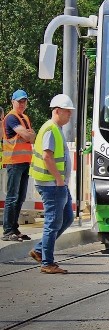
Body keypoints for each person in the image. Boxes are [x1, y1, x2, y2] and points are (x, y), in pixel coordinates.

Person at [28, 94, 76, 273]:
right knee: (53, 222)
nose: (69, 115)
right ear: (57, 111)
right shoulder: (50, 129)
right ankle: (47, 263)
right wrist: (58, 179)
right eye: (67, 112)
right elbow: (48, 156)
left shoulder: (56, 128)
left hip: (57, 184)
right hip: (52, 184)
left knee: (67, 218)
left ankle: (40, 250)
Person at [2, 89, 36, 242]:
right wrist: (28, 134)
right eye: (19, 101)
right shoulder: (10, 118)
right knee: (12, 197)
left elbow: (32, 137)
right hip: (14, 163)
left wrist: (28, 134)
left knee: (20, 197)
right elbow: (28, 135)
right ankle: (8, 230)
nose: (22, 104)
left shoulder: (25, 118)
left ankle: (14, 228)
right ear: (13, 102)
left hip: (24, 162)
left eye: (24, 101)